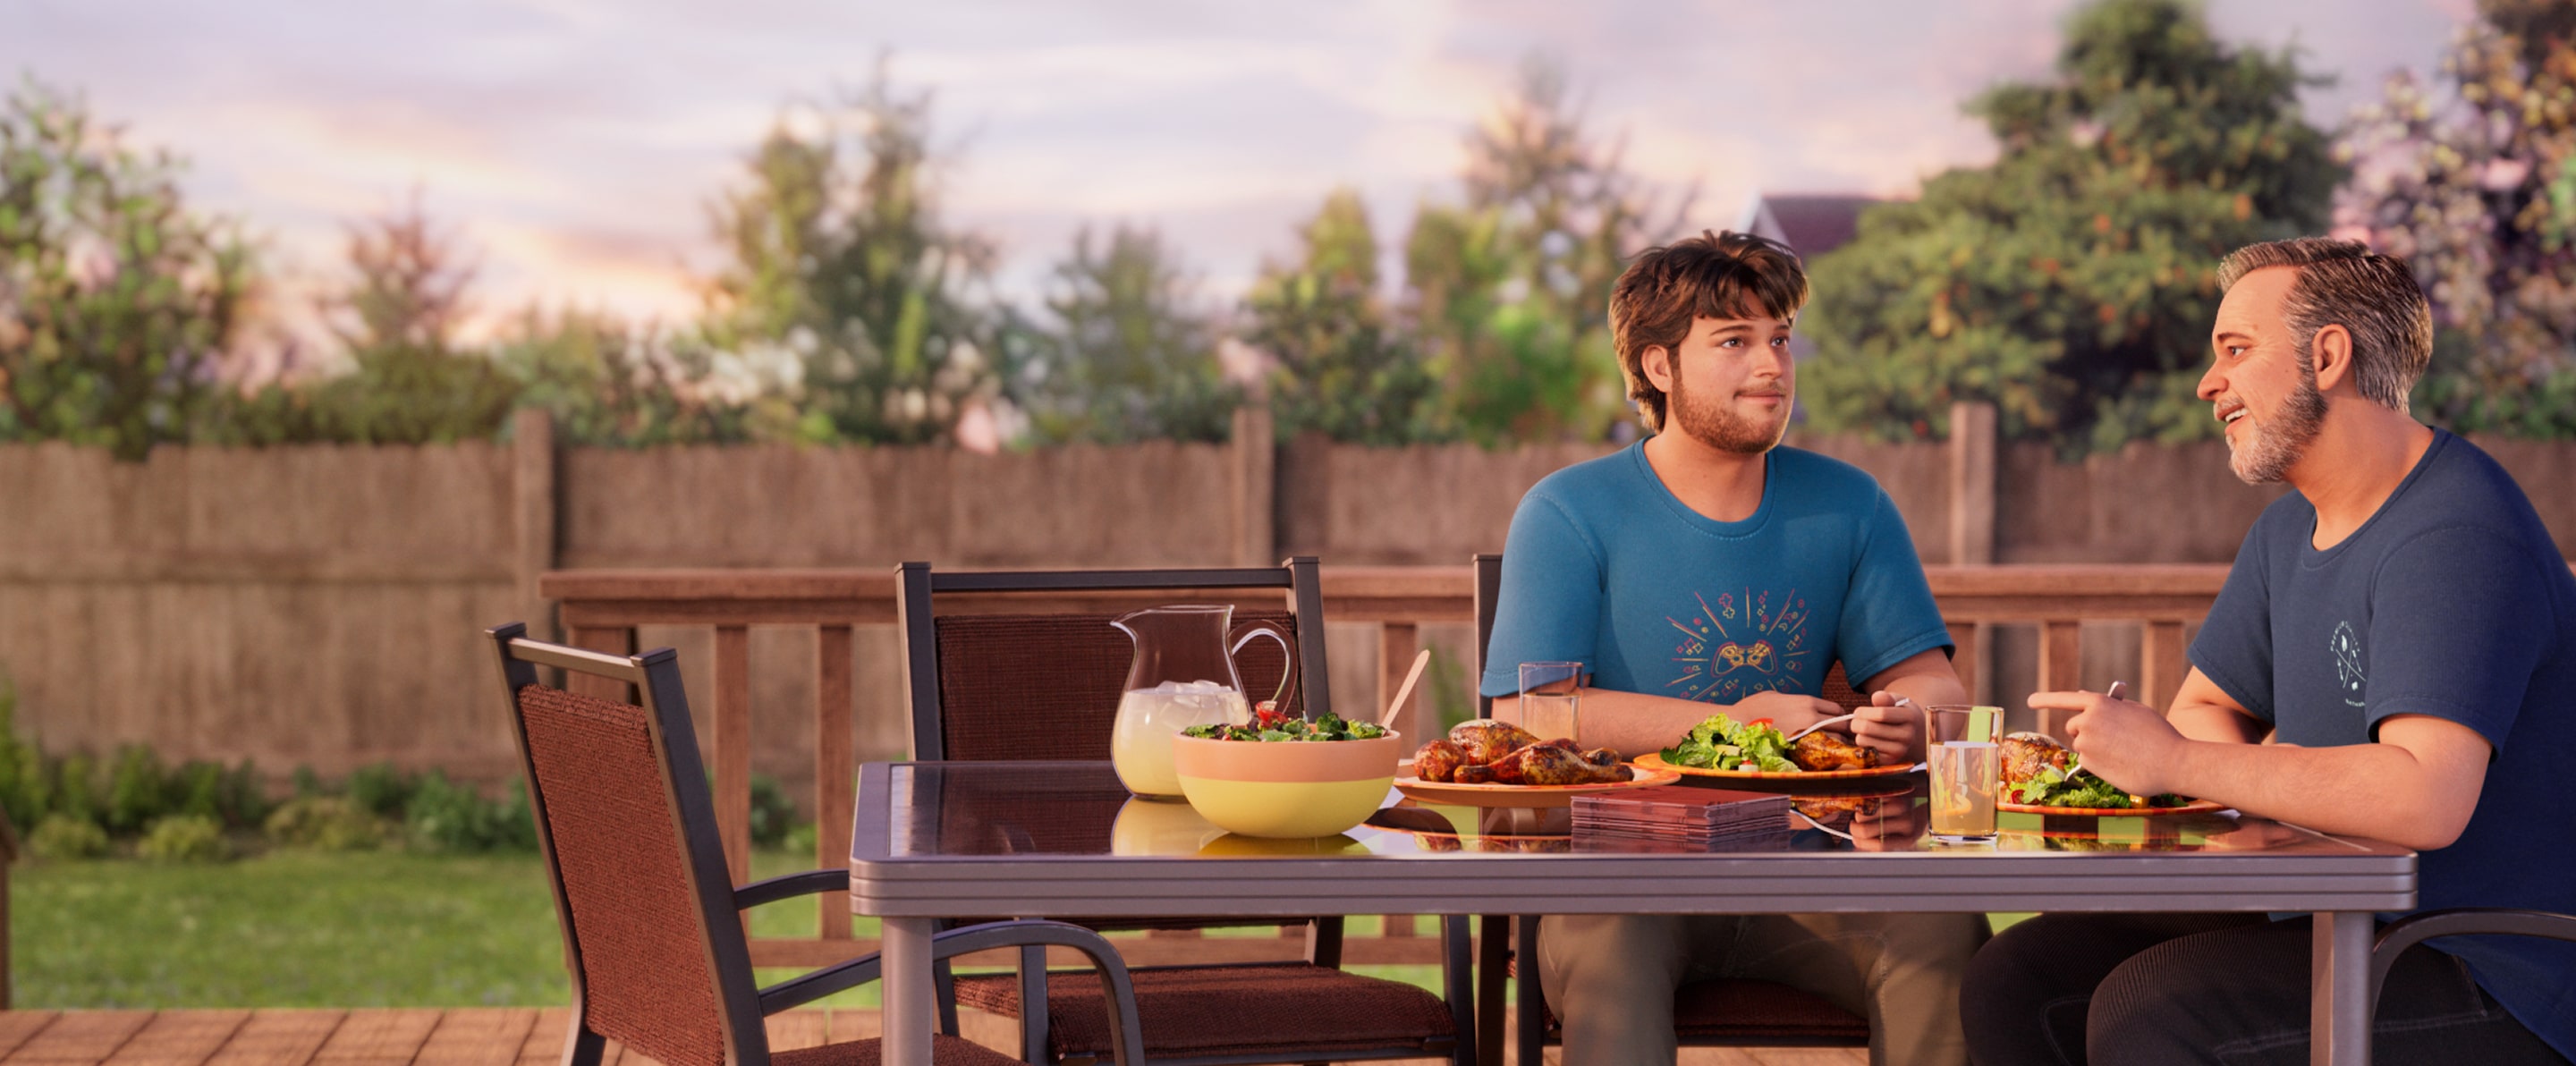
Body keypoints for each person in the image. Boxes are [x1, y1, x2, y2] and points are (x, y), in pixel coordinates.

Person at [1962, 237, 2576, 1065]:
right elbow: (2208, 707)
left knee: (2153, 1015)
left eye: (2235, 351)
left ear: (2327, 357)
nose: (2209, 384)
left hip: (2490, 965)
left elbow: (2427, 796)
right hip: (2332, 911)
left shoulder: (2457, 533)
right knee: (2018, 976)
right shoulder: (2290, 525)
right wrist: (2245, 777)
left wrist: (2182, 765)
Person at [1479, 229, 1982, 1066]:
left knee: (1943, 926)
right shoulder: (1567, 511)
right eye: (1734, 341)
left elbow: (1935, 685)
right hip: (1619, 879)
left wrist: (1910, 722)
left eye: (1780, 339)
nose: (1772, 365)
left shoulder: (1850, 505)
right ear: (1657, 367)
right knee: (1610, 956)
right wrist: (1736, 724)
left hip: (1813, 866)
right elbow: (1527, 712)